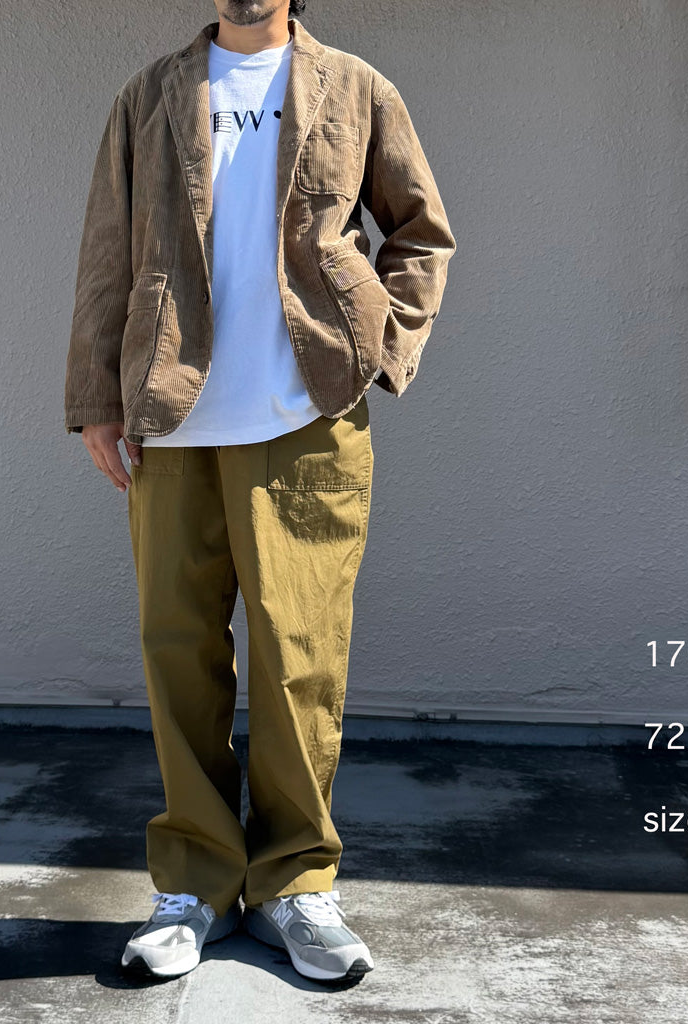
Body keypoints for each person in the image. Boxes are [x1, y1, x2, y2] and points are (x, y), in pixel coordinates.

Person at [64, 0, 455, 984]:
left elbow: (420, 233)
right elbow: (108, 251)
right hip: (171, 420)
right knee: (179, 654)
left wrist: (383, 346)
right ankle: (193, 885)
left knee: (301, 661)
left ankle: (296, 884)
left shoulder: (356, 88)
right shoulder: (147, 96)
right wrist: (95, 399)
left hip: (305, 419)